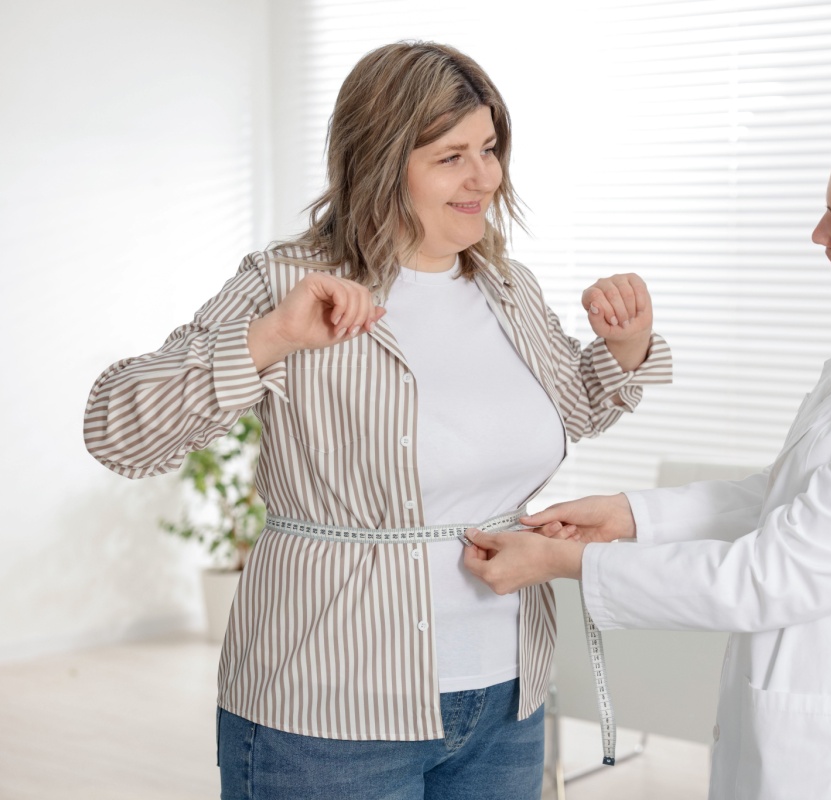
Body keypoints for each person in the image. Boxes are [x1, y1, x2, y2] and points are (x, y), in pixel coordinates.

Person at [83, 41, 671, 799]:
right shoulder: (287, 283)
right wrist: (272, 338)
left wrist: (624, 347)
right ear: (382, 162)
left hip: (505, 696)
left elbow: (571, 410)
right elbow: (118, 432)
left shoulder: (507, 287)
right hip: (328, 706)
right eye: (451, 156)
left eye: (489, 148)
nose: (485, 176)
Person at [464, 110, 831, 800]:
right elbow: (789, 498)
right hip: (803, 725)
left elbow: (772, 575)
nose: (818, 234)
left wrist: (566, 562)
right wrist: (628, 516)